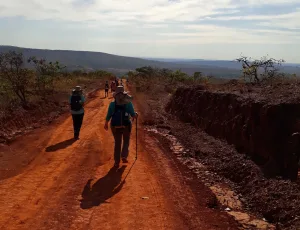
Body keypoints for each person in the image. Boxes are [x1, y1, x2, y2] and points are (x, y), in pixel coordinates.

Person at [104, 86, 138, 168]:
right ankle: (124, 156)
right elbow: (133, 114)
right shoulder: (128, 103)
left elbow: (109, 115)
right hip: (126, 125)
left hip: (115, 126)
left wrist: (106, 123)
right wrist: (136, 114)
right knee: (126, 140)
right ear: (124, 94)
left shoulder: (112, 104)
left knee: (117, 143)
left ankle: (116, 161)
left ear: (115, 95)